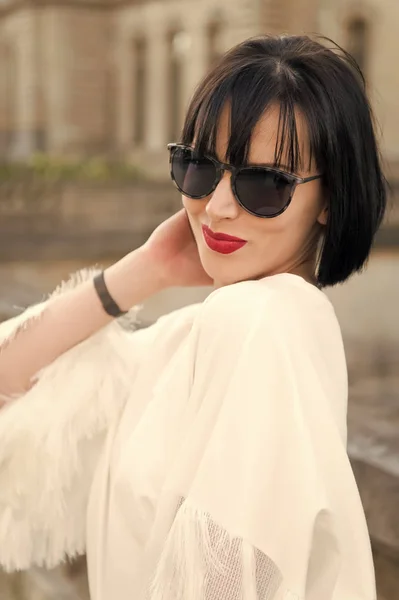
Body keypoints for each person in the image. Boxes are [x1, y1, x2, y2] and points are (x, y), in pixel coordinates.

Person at [0, 34, 386, 600]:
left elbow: (224, 581)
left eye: (265, 183)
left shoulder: (266, 322)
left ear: (330, 196)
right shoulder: (207, 333)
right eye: (200, 169)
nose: (219, 207)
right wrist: (146, 269)